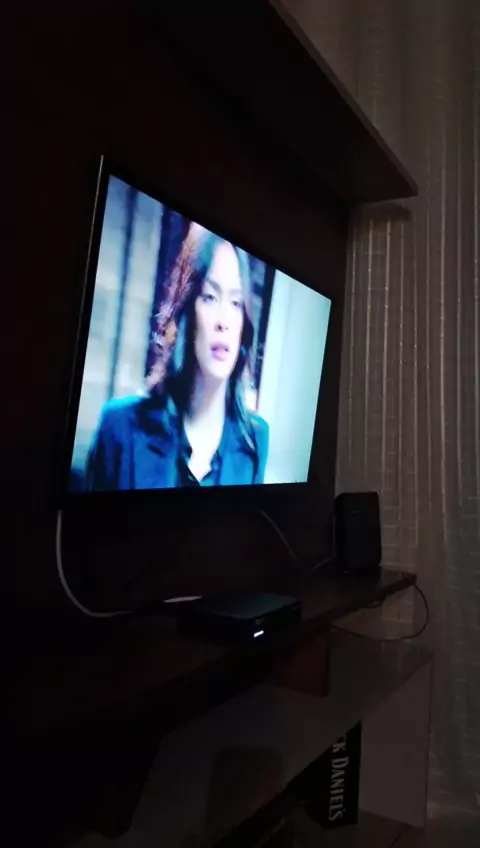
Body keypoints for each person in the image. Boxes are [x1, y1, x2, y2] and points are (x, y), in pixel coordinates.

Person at [85, 223, 269, 490]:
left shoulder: (255, 441)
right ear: (186, 309)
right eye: (210, 297)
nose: (224, 322)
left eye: (236, 303)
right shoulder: (120, 428)